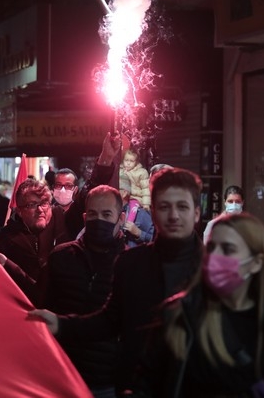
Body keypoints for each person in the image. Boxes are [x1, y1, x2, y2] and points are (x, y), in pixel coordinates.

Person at [30, 167, 204, 395]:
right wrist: (63, 325)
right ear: (152, 212)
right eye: (164, 207)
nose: (173, 215)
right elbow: (110, 321)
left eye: (182, 207)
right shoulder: (131, 262)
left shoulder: (213, 268)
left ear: (197, 213)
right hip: (134, 387)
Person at [157, 213, 264, 397]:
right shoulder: (181, 315)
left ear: (256, 263)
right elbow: (147, 382)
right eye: (211, 247)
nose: (214, 257)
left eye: (228, 249)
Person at [42, 185, 126, 398]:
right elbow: (39, 303)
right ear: (84, 217)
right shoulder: (61, 257)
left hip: (109, 382)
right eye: (93, 214)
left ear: (121, 219)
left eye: (107, 214)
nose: (99, 221)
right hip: (62, 377)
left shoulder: (130, 265)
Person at [0, 178, 67, 301]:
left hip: (59, 306)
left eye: (44, 203)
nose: (40, 210)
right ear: (19, 211)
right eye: (32, 205)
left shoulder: (60, 219)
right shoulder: (2, 239)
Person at [118, 173, 154, 247]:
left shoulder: (140, 213)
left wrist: (138, 232)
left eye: (115, 189)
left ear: (124, 193)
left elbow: (155, 239)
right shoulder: (111, 213)